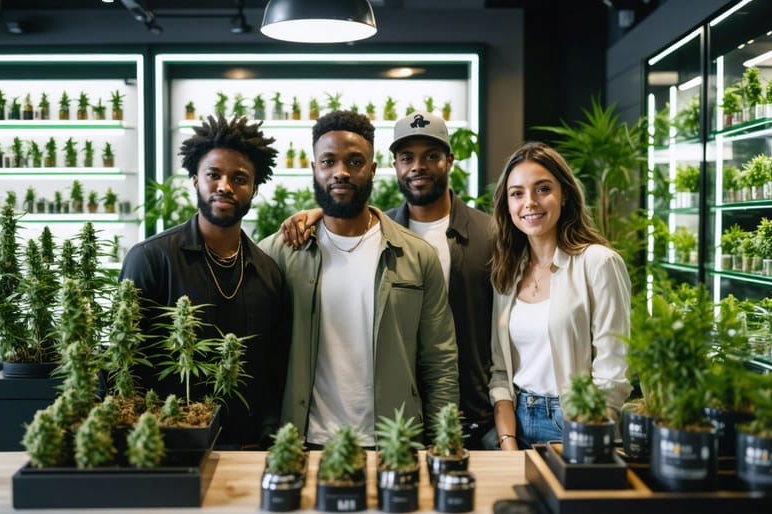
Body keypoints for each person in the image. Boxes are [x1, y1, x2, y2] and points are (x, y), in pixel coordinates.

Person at [281, 111, 495, 449]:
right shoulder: (285, 251)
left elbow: (440, 357)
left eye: (354, 162)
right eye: (329, 162)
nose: (341, 172)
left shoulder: (455, 242)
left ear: (371, 168)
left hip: (412, 432)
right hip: (309, 440)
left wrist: (444, 441)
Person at [119, 115, 290, 450]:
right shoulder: (151, 259)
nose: (225, 186)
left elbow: (274, 370)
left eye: (239, 178)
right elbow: (123, 363)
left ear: (254, 189)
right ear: (195, 180)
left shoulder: (268, 271)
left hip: (246, 448)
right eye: (214, 175)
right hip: (166, 445)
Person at [488, 141, 632, 451]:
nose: (530, 202)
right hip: (517, 423)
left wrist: (587, 434)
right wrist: (508, 439)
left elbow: (613, 370)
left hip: (577, 422)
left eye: (542, 189)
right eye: (517, 193)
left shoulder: (598, 262)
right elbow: (500, 371)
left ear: (564, 194)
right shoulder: (507, 273)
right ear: (507, 204)